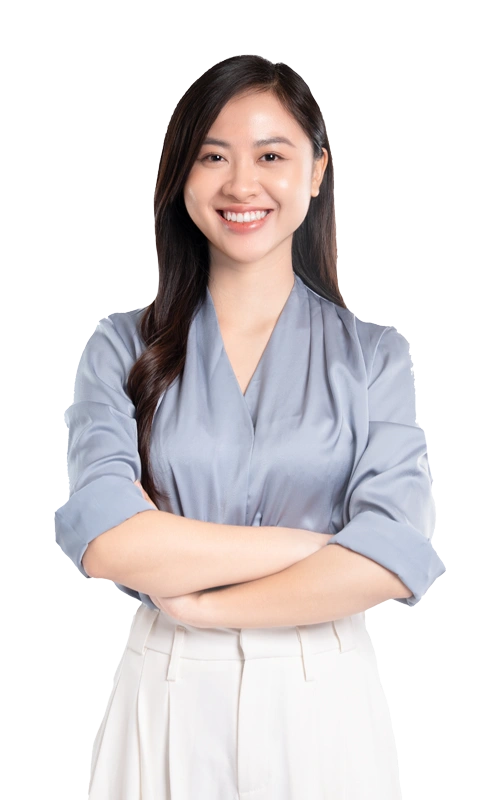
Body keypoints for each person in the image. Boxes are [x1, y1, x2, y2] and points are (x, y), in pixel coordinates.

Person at [55, 54, 445, 799]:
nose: (242, 184)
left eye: (271, 155)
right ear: (179, 176)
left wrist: (202, 602)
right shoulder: (120, 348)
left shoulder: (373, 358)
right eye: (212, 156)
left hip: (320, 700)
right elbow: (106, 539)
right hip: (163, 698)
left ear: (315, 169)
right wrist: (316, 550)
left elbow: (395, 556)